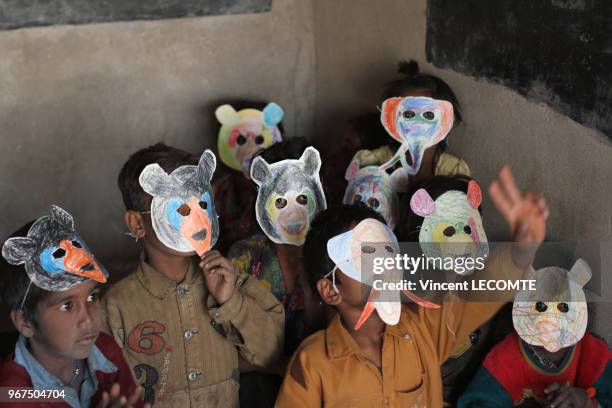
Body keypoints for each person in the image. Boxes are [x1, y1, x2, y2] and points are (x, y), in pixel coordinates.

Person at [275, 166, 549, 407]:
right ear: (331, 290)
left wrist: (521, 250)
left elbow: (475, 298)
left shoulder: (422, 332)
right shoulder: (312, 364)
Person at [104, 143, 284, 407]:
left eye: (202, 204)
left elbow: (270, 353)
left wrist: (231, 302)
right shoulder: (115, 306)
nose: (198, 219)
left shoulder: (235, 283)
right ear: (137, 223)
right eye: (182, 210)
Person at [0, 206, 145, 408]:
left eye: (92, 297)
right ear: (24, 322)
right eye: (67, 305)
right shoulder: (12, 394)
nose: (88, 319)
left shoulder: (105, 350)